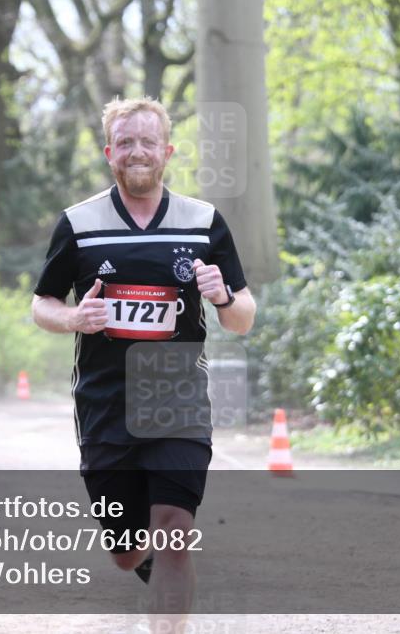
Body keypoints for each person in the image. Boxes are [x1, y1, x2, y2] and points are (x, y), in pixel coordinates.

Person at [31, 97, 256, 631]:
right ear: (110, 153)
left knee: (175, 533)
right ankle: (152, 575)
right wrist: (74, 318)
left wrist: (223, 296)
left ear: (167, 151)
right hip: (106, 405)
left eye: (147, 142)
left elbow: (243, 318)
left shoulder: (203, 223)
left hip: (176, 402)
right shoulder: (79, 224)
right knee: (126, 552)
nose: (137, 152)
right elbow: (42, 304)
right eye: (125, 142)